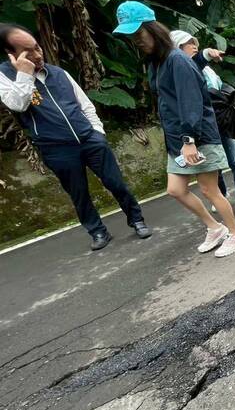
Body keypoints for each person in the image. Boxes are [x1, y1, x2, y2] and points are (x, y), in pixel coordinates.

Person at [0, 23, 151, 251]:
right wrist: (24, 74)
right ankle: (98, 232)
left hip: (89, 139)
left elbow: (85, 105)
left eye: (37, 47)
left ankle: (137, 220)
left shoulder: (58, 73)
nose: (37, 54)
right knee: (78, 194)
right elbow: (18, 105)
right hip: (57, 149)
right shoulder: (6, 78)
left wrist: (97, 133)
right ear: (12, 54)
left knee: (116, 183)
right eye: (28, 51)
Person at [113, 2, 235, 257]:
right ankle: (214, 228)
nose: (136, 41)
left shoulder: (177, 60)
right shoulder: (157, 63)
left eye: (138, 34)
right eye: (132, 37)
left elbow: (191, 102)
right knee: (175, 190)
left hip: (197, 136)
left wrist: (189, 140)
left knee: (209, 189)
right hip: (178, 139)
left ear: (153, 30)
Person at [170, 30, 235, 214]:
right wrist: (207, 53)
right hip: (206, 127)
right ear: (178, 49)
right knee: (216, 165)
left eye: (194, 43)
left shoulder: (207, 69)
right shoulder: (182, 71)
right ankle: (221, 197)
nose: (194, 46)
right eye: (188, 43)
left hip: (223, 120)